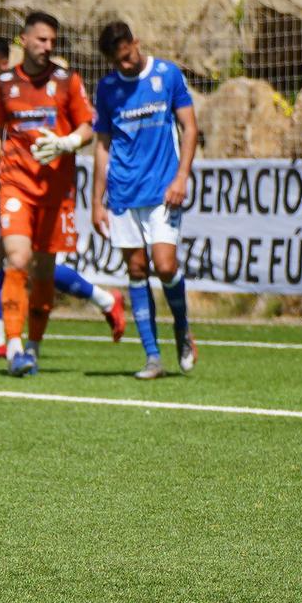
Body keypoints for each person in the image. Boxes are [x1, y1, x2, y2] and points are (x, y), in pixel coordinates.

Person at [0, 34, 125, 360]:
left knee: (33, 264)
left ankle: (103, 299)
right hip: (11, 186)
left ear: (5, 63)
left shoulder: (34, 89)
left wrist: (62, 145)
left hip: (41, 189)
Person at [0, 10, 94, 377]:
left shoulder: (66, 81)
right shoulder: (3, 84)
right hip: (16, 183)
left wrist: (67, 142)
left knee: (44, 269)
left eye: (52, 41)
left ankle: (34, 346)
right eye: (42, 39)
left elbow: (88, 126)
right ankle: (13, 347)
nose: (48, 47)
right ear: (24, 40)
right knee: (17, 259)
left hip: (55, 189)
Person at [93, 20, 199, 379]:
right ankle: (152, 357)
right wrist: (96, 201)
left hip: (162, 191)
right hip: (123, 193)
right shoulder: (107, 89)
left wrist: (182, 176)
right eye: (117, 61)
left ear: (136, 43)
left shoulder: (167, 75)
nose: (125, 64)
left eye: (127, 56)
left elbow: (190, 127)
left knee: (165, 266)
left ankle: (182, 328)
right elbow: (103, 146)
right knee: (136, 270)